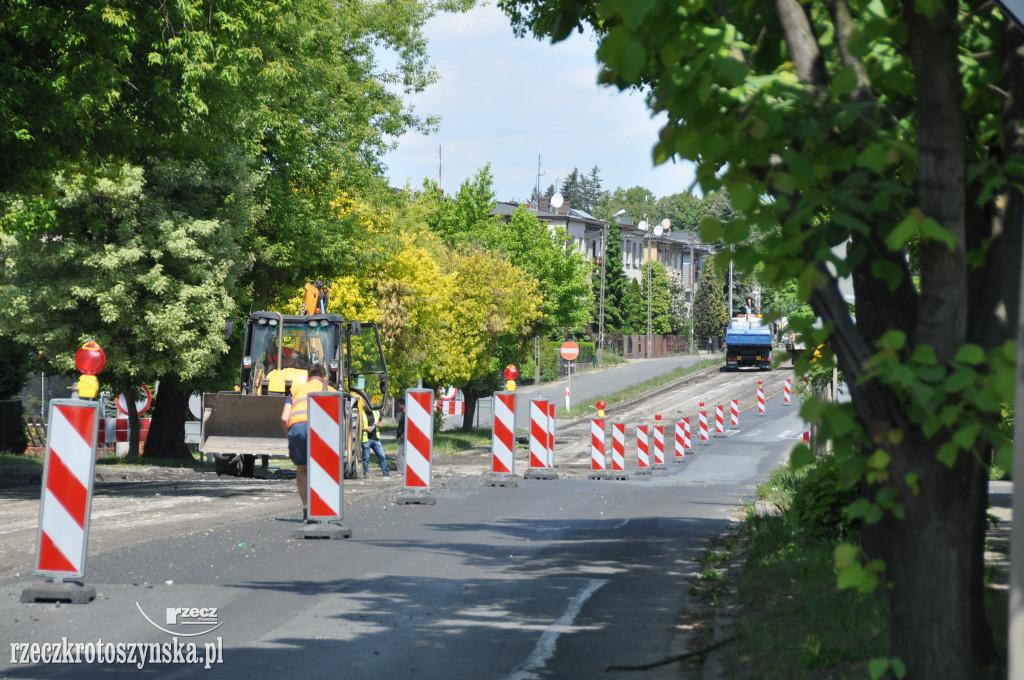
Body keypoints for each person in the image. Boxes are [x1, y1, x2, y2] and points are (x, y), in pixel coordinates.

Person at [280, 363, 336, 522]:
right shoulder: (330, 391)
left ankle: (306, 509)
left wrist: (290, 441)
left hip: (296, 428)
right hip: (319, 429)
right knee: (322, 468)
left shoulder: (295, 390)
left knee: (302, 469)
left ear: (307, 378)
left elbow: (284, 418)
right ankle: (321, 507)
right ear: (325, 378)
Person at [361, 403, 390, 477]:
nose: (370, 408)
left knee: (382, 456)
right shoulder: (361, 414)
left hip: (376, 439)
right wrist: (366, 428)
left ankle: (386, 474)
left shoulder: (376, 412)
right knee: (366, 458)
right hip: (366, 439)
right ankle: (366, 474)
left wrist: (379, 425)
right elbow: (358, 427)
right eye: (368, 406)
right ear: (366, 406)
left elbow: (381, 424)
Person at [394, 397, 406, 476]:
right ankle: (405, 471)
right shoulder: (404, 413)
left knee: (399, 454)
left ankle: (401, 472)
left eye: (399, 405)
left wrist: (404, 433)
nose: (398, 407)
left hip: (404, 438)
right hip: (401, 437)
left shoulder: (406, 414)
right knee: (403, 455)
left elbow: (408, 425)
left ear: (402, 405)